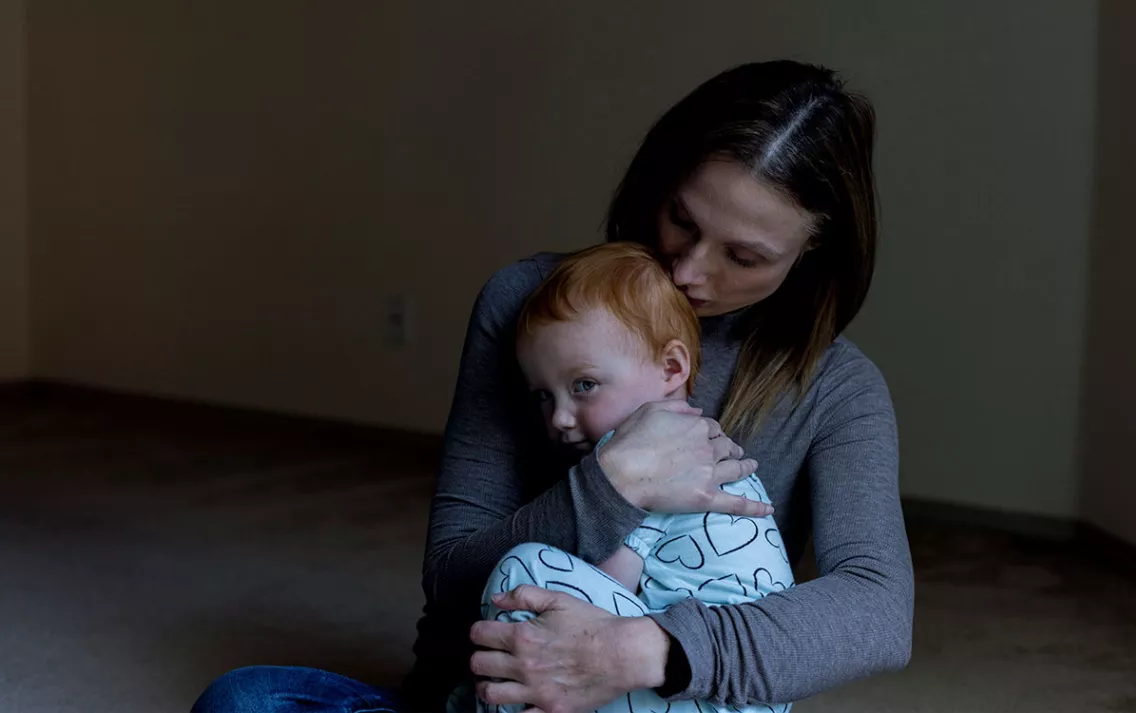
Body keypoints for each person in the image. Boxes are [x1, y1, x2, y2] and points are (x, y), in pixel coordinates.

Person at [192, 59, 913, 713]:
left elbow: (878, 612)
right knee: (247, 699)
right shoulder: (531, 305)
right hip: (481, 700)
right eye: (681, 220)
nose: (690, 271)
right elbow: (451, 577)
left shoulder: (837, 389)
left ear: (814, 252)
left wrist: (633, 651)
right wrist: (613, 481)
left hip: (663, 704)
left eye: (745, 255)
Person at [475, 241, 796, 713]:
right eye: (544, 396)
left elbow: (607, 589)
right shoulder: (705, 443)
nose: (561, 418)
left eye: (583, 385)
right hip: (750, 689)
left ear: (671, 368)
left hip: (703, 690)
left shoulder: (652, 456)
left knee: (525, 573)